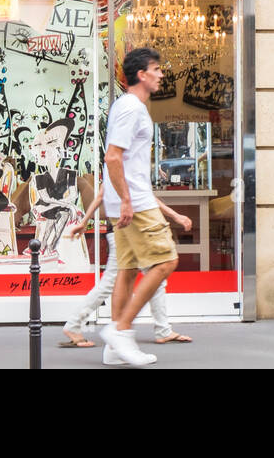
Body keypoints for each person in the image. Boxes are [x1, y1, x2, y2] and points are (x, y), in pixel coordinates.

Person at [99, 47, 178, 367]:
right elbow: (112, 156)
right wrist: (129, 201)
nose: (161, 74)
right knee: (166, 261)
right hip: (136, 204)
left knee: (128, 271)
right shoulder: (131, 107)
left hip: (125, 203)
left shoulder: (127, 106)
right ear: (141, 75)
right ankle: (121, 330)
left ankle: (115, 348)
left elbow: (119, 157)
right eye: (156, 69)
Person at [59, 181, 193, 348]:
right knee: (141, 278)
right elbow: (146, 197)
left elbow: (101, 195)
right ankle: (75, 325)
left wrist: (84, 222)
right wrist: (175, 215)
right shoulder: (123, 161)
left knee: (151, 278)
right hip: (129, 231)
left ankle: (163, 330)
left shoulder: (115, 162)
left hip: (123, 230)